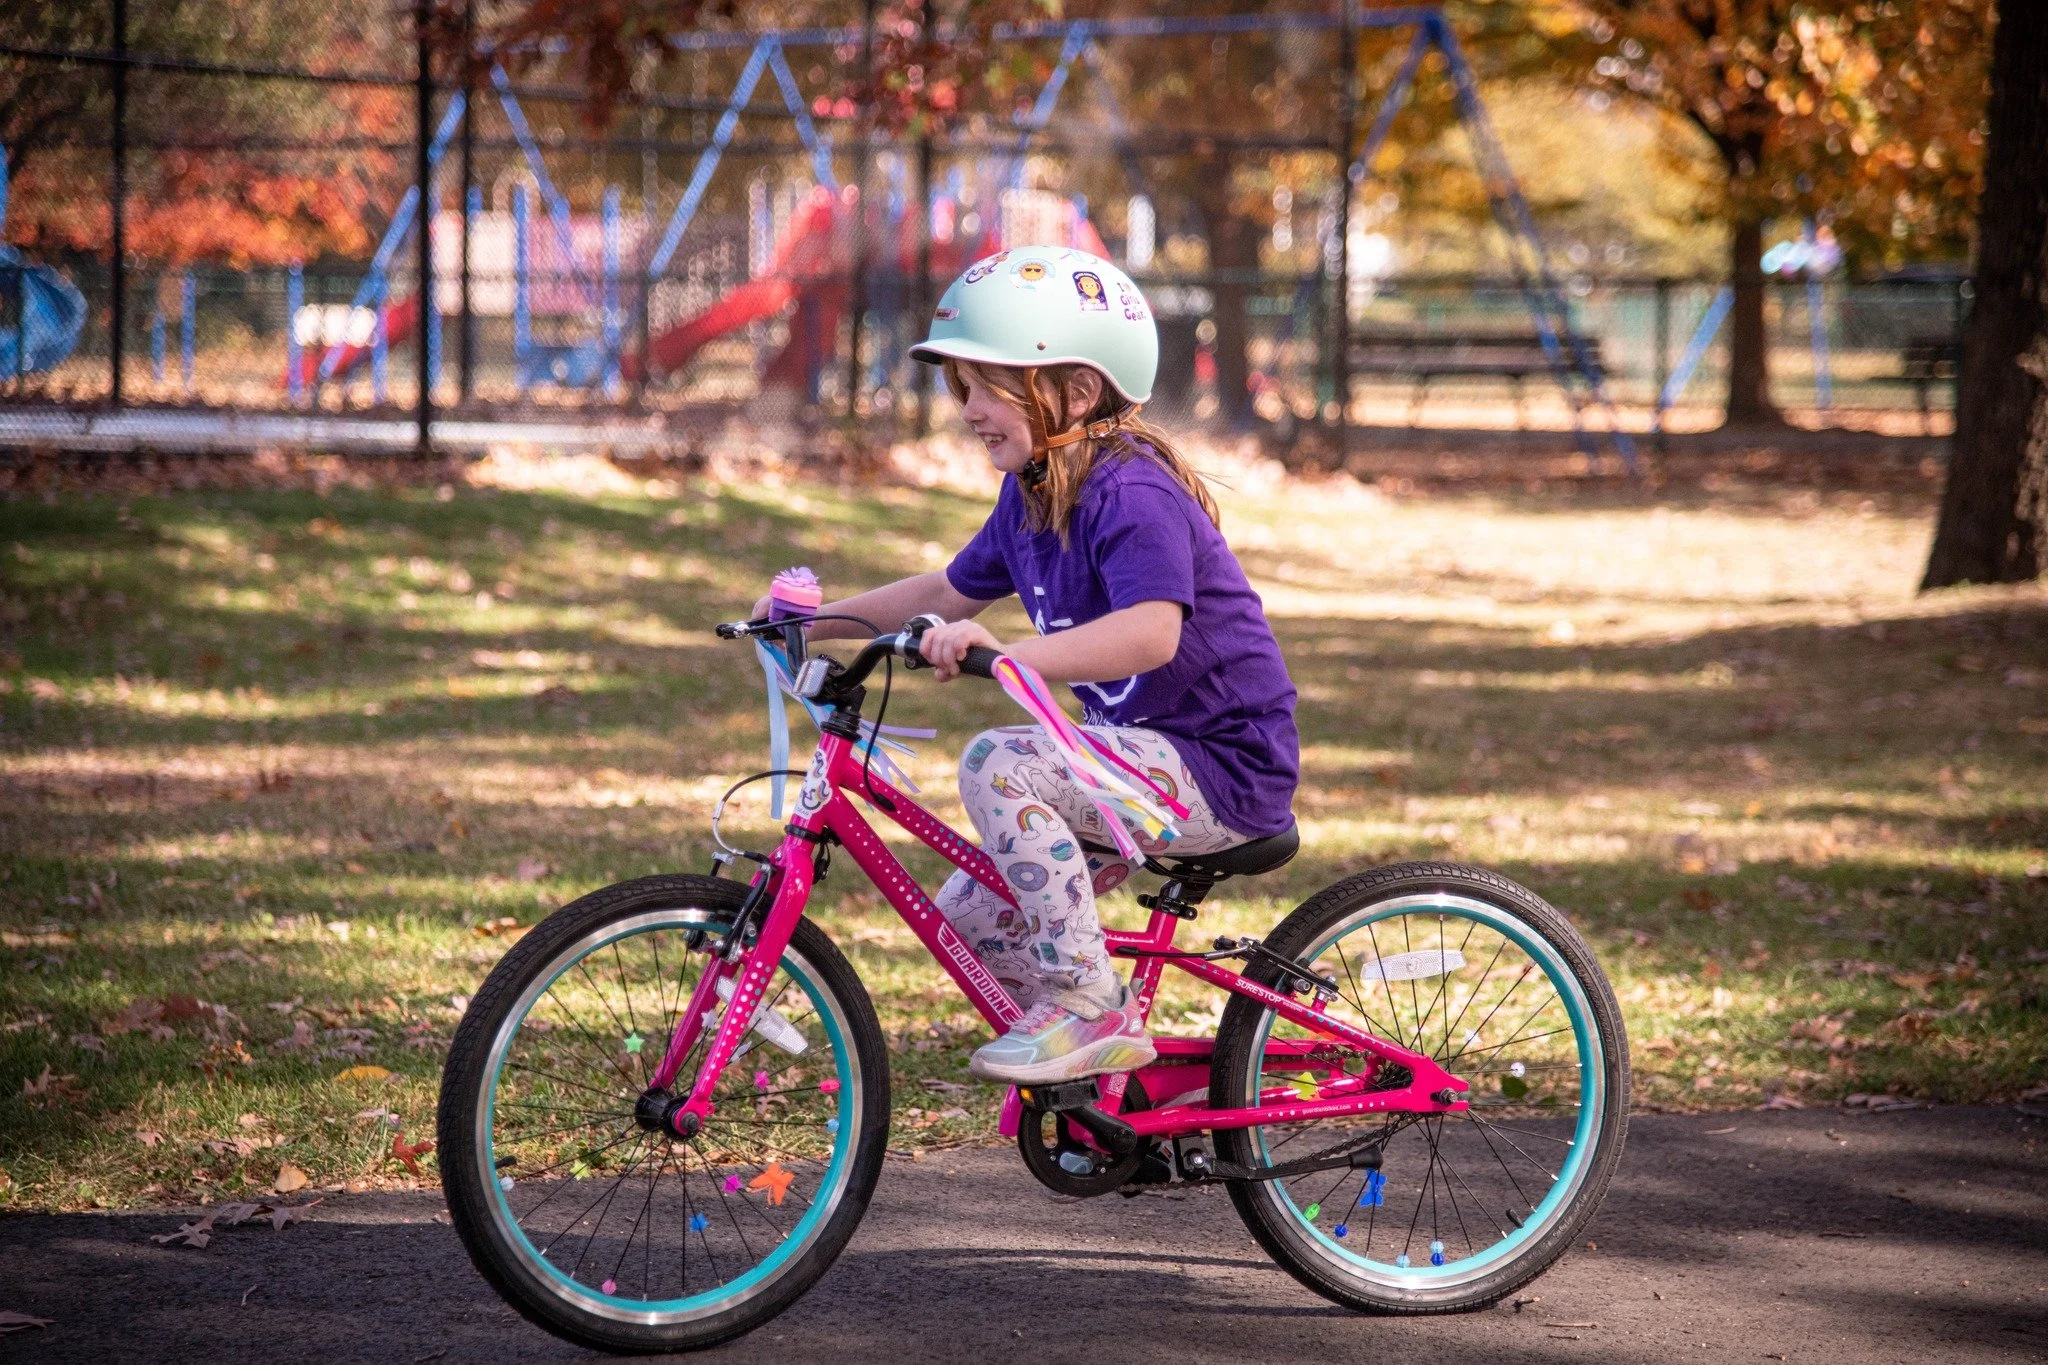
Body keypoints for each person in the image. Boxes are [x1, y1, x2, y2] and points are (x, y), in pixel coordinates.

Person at [756, 247, 1298, 1085]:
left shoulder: (1131, 491)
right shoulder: (1032, 494)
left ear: (1075, 392)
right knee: (966, 925)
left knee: (1001, 761)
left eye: (985, 387)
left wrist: (1013, 656)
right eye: (960, 388)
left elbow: (1153, 630)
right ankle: (1114, 1097)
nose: (967, 409)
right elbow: (946, 588)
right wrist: (812, 622)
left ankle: (1091, 1004)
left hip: (1219, 768)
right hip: (1134, 764)